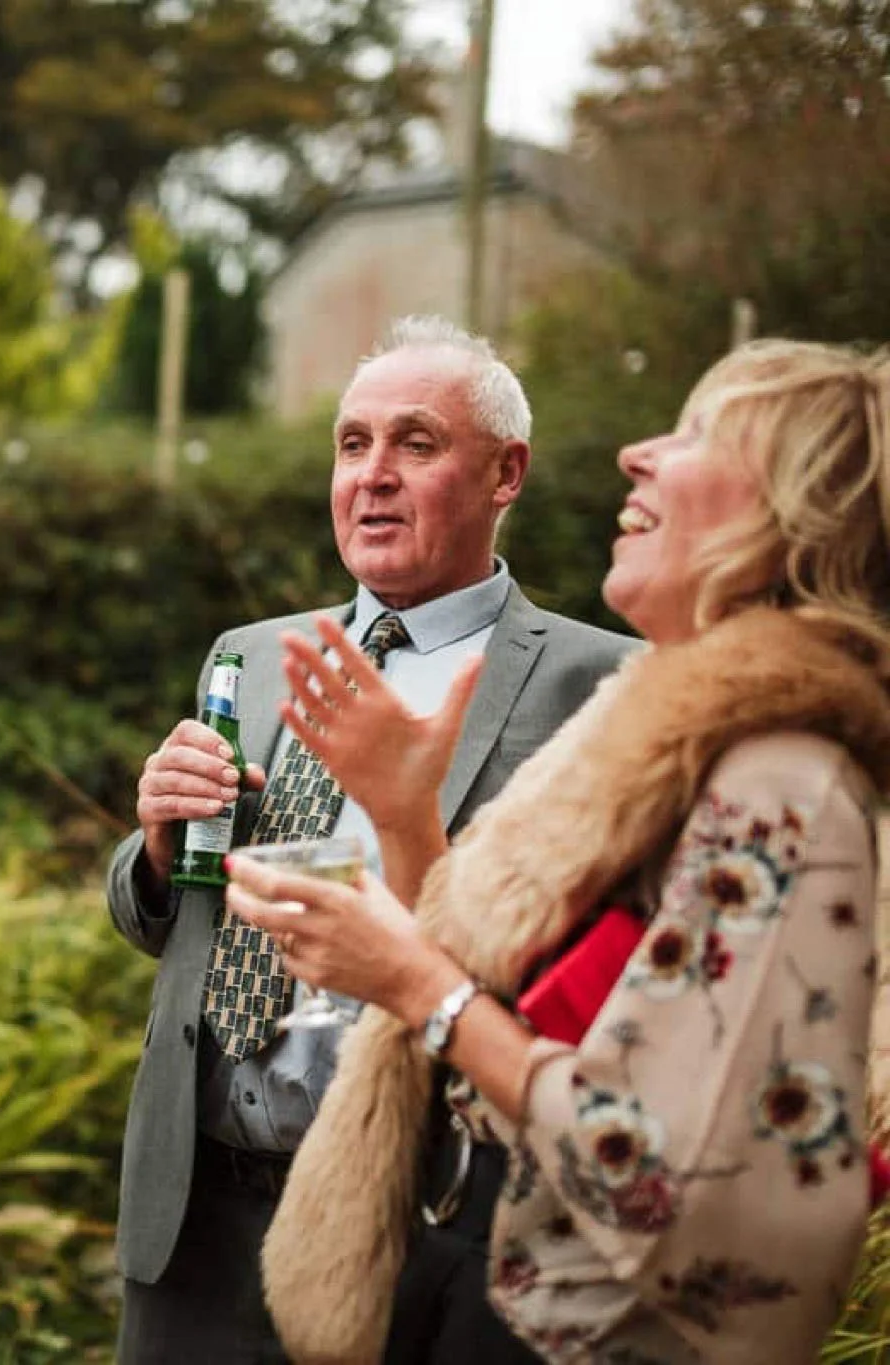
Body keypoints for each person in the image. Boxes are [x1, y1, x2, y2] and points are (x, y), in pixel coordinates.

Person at [229, 338, 890, 1363]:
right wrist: (408, 820)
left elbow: (677, 1180)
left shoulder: (782, 781)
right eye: (349, 442)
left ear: (791, 514)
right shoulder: (651, 732)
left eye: (698, 433)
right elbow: (503, 993)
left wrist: (411, 985)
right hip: (462, 1279)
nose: (635, 454)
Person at [106, 316, 638, 1364]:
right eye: (352, 445)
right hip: (199, 1205)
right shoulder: (252, 657)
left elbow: (591, 974)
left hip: (424, 1215)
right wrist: (160, 843)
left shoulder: (603, 682)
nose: (373, 475)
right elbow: (162, 918)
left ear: (504, 473)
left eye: (416, 443)